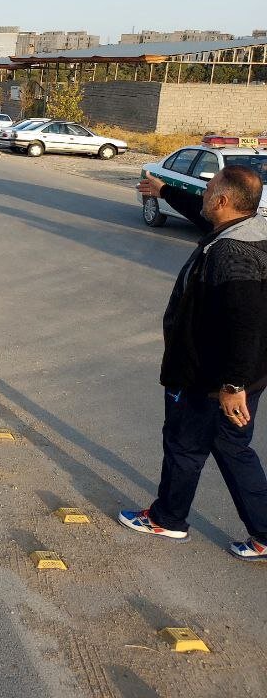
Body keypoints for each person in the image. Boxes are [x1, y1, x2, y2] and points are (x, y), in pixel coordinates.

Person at [118, 169, 267, 559]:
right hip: (248, 373)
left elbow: (244, 321)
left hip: (210, 377)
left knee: (185, 446)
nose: (203, 195)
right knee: (234, 448)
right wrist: (165, 190)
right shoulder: (252, 226)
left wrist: (232, 385)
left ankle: (167, 519)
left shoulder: (231, 254)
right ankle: (265, 531)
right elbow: (203, 215)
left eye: (208, 190)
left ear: (221, 201)